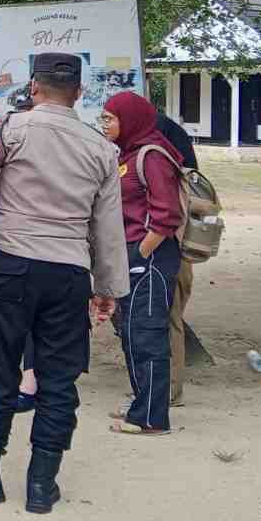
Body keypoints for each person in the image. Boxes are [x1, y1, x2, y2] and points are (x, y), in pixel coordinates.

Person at [0, 54, 129, 513]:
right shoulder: (102, 149)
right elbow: (107, 226)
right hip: (68, 275)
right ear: (79, 94)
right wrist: (107, 288)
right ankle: (42, 486)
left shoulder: (7, 129)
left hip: (9, 267)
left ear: (33, 87)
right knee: (58, 379)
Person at [99, 91, 185, 436]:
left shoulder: (152, 156)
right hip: (131, 254)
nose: (104, 124)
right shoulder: (129, 153)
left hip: (150, 257)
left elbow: (167, 216)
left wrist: (141, 254)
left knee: (147, 334)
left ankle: (151, 418)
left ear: (130, 120)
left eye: (110, 118)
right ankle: (143, 405)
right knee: (132, 333)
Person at [155, 108, 198, 407]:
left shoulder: (164, 174)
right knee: (168, 320)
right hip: (176, 255)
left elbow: (165, 220)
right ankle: (163, 389)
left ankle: (168, 391)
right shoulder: (184, 175)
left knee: (167, 321)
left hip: (167, 255)